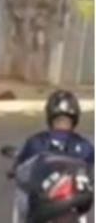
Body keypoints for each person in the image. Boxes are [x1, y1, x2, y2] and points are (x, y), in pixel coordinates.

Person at [10, 90, 95, 223]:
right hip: (49, 204)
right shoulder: (37, 142)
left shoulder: (37, 141)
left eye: (66, 120)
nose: (62, 124)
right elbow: (22, 166)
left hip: (61, 205)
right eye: (60, 120)